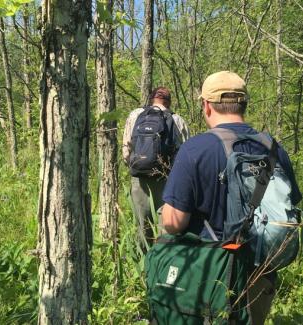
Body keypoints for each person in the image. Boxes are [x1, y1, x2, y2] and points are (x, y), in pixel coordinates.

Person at [161, 71, 302, 324]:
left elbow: (174, 223)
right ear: (244, 103)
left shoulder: (194, 149)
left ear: (206, 105)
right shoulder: (273, 148)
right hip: (260, 275)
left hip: (209, 276)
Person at [123, 87, 190, 249]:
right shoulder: (177, 120)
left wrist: (135, 166)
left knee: (142, 226)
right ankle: (162, 261)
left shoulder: (135, 115)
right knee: (164, 226)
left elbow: (126, 150)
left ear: (151, 99)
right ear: (169, 102)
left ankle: (142, 265)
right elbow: (186, 155)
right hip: (167, 180)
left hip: (140, 179)